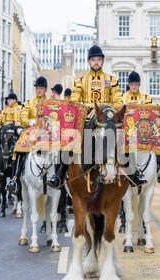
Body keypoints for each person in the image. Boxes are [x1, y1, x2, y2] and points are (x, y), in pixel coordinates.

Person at [47, 45, 123, 189]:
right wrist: (90, 108)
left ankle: (133, 173)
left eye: (99, 59)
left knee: (124, 135)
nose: (96, 62)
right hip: (87, 118)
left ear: (102, 61)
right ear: (88, 61)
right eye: (93, 59)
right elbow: (74, 102)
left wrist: (106, 109)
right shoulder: (80, 81)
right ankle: (59, 174)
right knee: (70, 138)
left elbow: (118, 101)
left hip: (107, 118)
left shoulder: (111, 81)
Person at [122, 71, 160, 187]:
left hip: (144, 130)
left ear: (139, 84)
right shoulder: (123, 98)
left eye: (136, 84)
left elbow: (152, 114)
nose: (134, 86)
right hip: (127, 131)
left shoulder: (146, 98)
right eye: (132, 84)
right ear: (129, 84)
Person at [6, 77, 48, 193]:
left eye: (41, 88)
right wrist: (30, 122)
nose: (39, 90)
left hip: (46, 131)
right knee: (19, 147)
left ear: (45, 90)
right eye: (37, 88)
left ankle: (59, 175)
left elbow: (54, 116)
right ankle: (14, 178)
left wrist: (47, 121)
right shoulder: (29, 103)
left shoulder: (51, 103)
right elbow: (23, 117)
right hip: (31, 131)